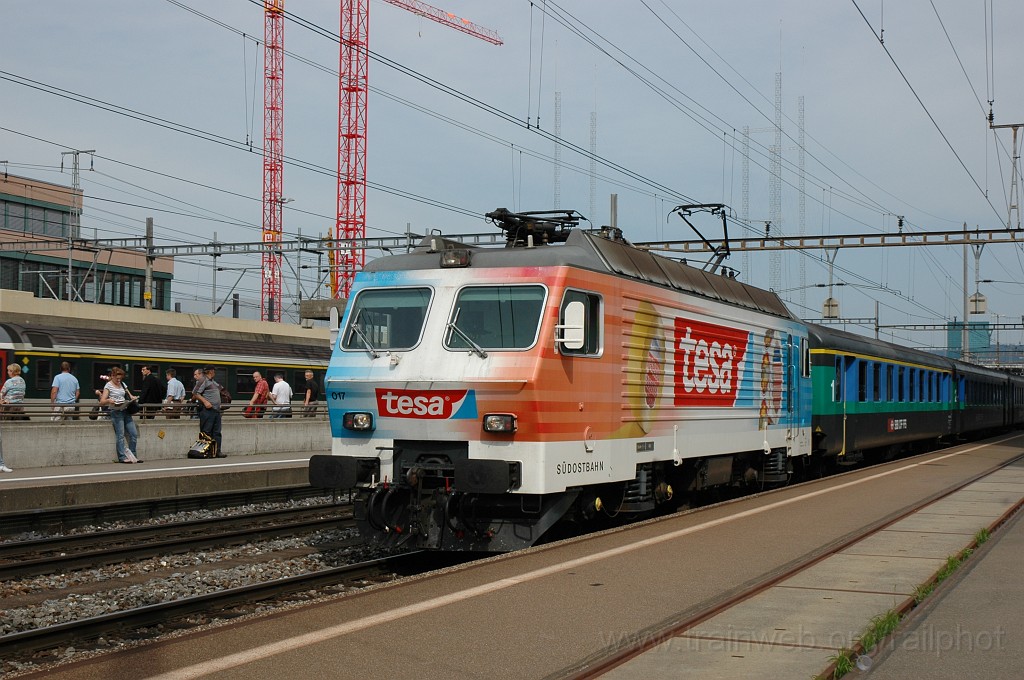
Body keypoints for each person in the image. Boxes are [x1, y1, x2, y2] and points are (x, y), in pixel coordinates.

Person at [99, 367, 141, 464]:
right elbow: (102, 401)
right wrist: (109, 400)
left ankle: (133, 455)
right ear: (112, 376)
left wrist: (133, 398)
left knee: (133, 433)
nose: (119, 380)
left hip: (126, 410)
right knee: (120, 435)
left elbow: (130, 395)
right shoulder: (108, 386)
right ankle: (122, 457)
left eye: (120, 378)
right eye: (117, 378)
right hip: (116, 411)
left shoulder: (122, 384)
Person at [192, 365, 224, 457]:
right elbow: (195, 392)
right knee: (207, 432)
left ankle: (217, 451)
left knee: (217, 432)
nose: (215, 372)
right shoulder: (203, 380)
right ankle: (206, 451)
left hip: (216, 410)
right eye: (214, 371)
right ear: (211, 371)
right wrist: (205, 402)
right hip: (207, 410)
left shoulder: (213, 382)